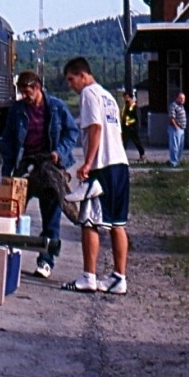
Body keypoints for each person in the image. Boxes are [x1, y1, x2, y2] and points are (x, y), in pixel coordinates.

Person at [0, 70, 81, 280]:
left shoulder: (56, 106)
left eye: (27, 92)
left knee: (51, 214)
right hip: (26, 163)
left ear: (37, 88)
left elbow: (72, 131)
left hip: (50, 164)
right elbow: (8, 140)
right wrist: (6, 172)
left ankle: (46, 260)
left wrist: (60, 152)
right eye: (21, 93)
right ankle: (9, 255)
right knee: (12, 213)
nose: (24, 97)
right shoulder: (17, 110)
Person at [61, 56, 130, 295]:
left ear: (82, 75)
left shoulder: (89, 94)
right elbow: (116, 133)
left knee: (89, 220)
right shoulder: (108, 96)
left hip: (102, 167)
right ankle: (119, 277)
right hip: (119, 163)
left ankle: (88, 276)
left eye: (71, 80)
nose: (71, 85)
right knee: (117, 224)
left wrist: (87, 164)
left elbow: (95, 128)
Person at [121, 92, 145, 162]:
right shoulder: (126, 106)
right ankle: (122, 157)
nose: (126, 99)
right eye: (124, 98)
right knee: (124, 142)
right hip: (126, 128)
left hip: (133, 128)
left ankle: (142, 155)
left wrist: (132, 125)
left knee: (137, 142)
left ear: (131, 98)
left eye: (127, 98)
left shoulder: (135, 107)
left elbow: (137, 119)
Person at [167, 91, 187, 167]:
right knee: (174, 146)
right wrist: (176, 127)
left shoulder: (181, 106)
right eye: (181, 98)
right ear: (177, 98)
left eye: (184, 98)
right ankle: (173, 162)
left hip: (182, 129)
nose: (182, 100)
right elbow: (172, 118)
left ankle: (177, 161)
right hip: (175, 129)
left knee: (180, 147)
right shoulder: (173, 105)